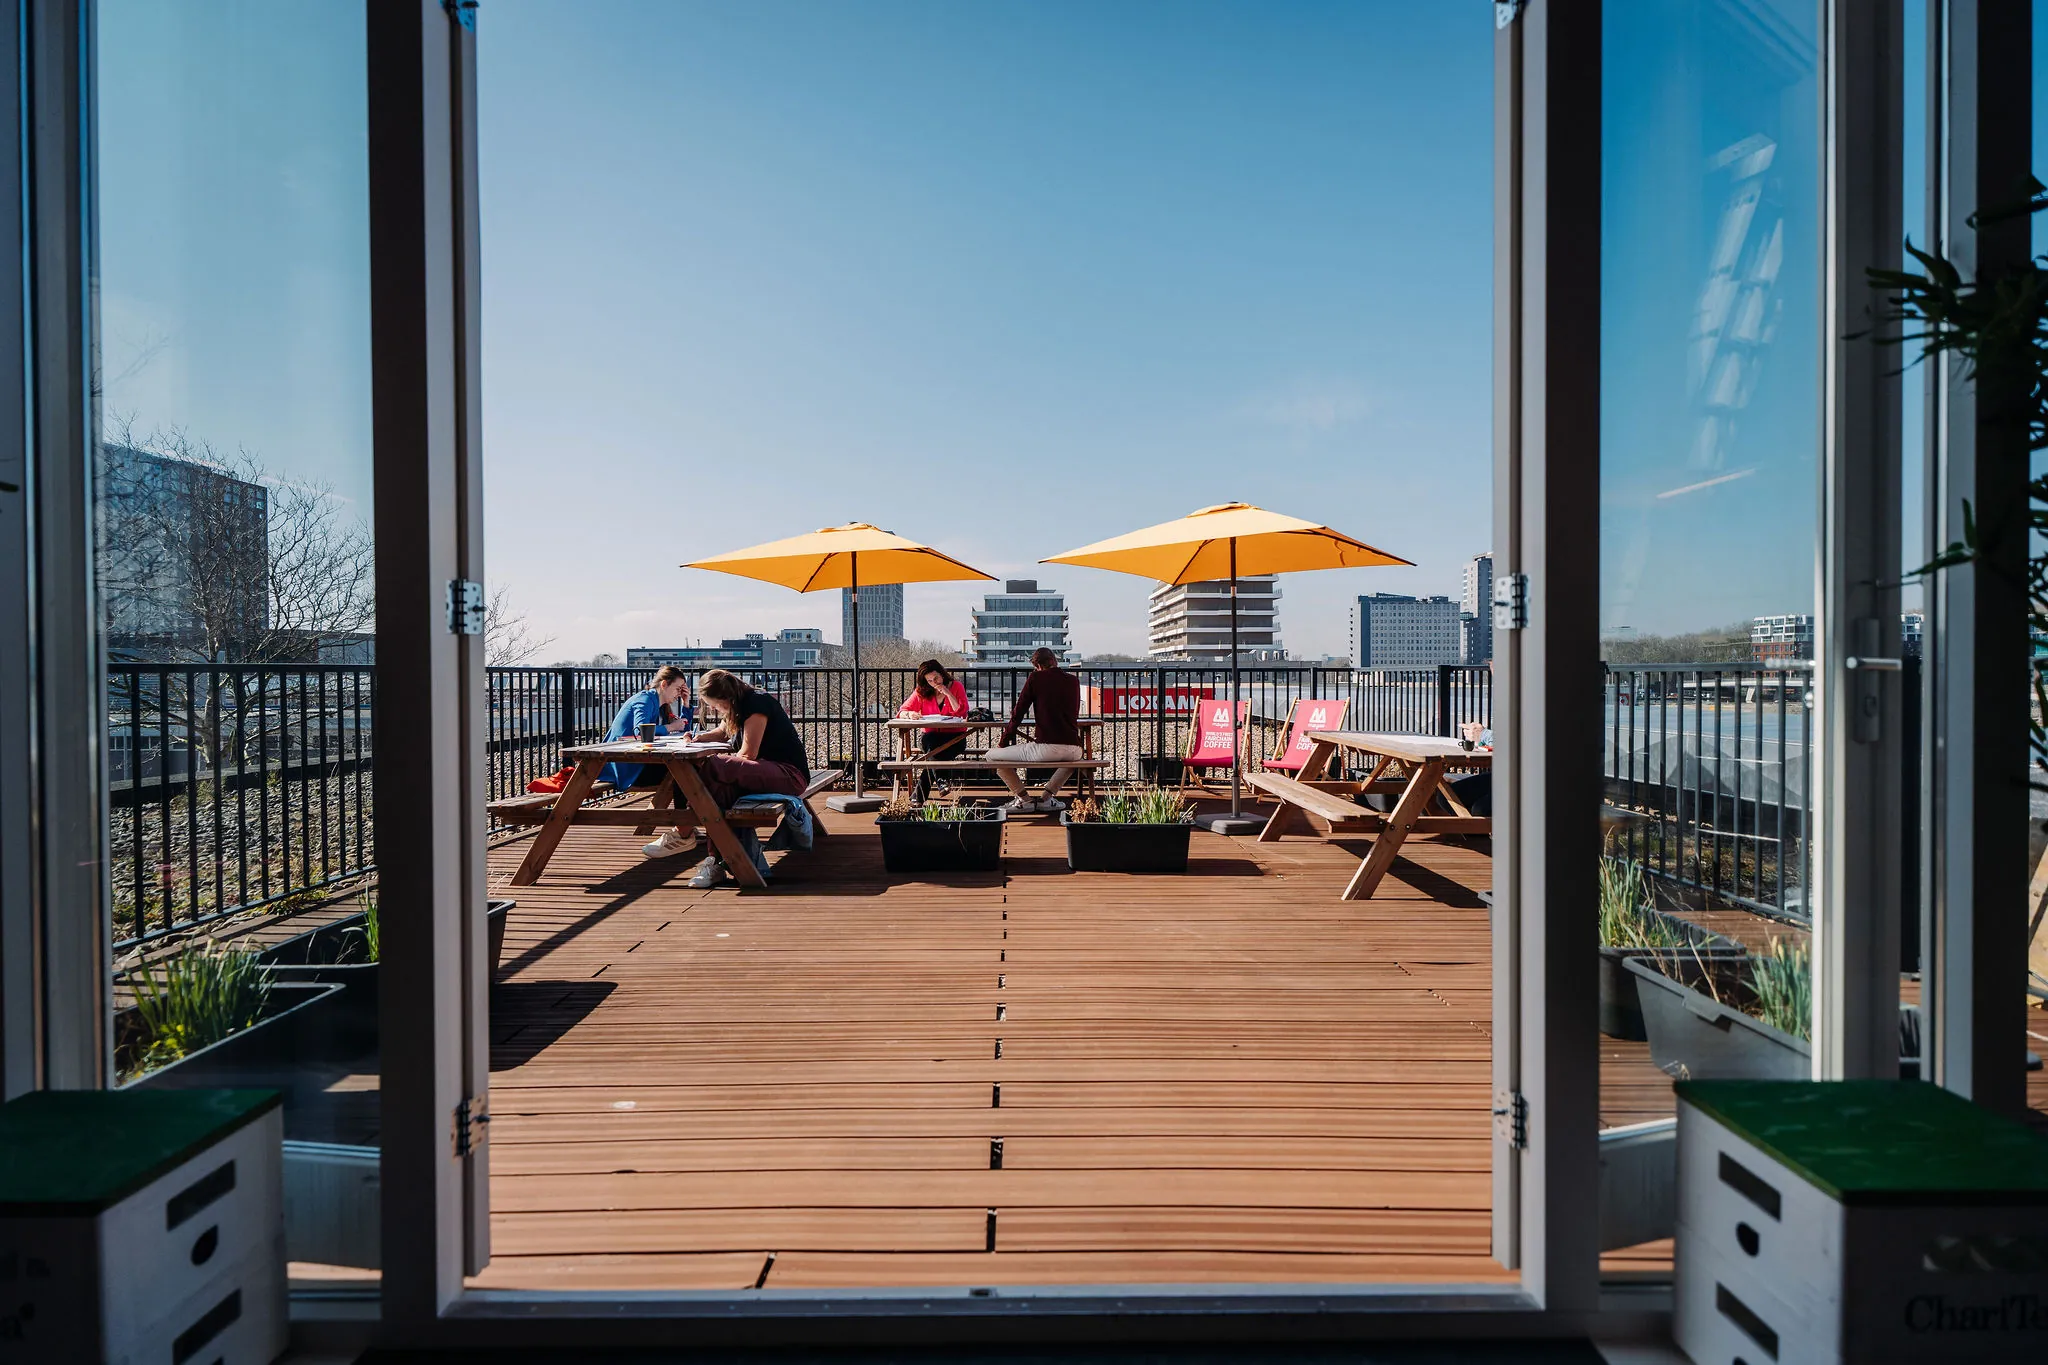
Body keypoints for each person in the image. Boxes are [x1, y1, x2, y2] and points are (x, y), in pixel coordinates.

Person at [672, 668, 812, 886]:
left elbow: (748, 754)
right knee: (718, 793)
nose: (712, 708)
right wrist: (699, 739)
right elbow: (722, 732)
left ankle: (683, 830)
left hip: (788, 774)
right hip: (763, 773)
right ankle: (717, 862)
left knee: (713, 765)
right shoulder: (736, 705)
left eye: (713, 704)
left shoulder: (756, 703)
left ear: (725, 698)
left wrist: (722, 763)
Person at [527, 665, 692, 795]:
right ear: (664, 684)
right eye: (678, 689)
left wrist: (686, 703)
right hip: (626, 768)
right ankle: (683, 829)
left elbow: (684, 730)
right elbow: (641, 731)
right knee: (684, 773)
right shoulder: (645, 700)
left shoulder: (659, 705)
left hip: (636, 763)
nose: (679, 693)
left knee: (687, 771)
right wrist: (670, 727)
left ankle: (683, 829)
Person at [986, 647, 1086, 813]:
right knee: (1075, 761)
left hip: (1046, 748)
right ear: (1054, 661)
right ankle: (1046, 798)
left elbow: (1018, 713)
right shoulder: (1073, 681)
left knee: (991, 756)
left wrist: (1003, 742)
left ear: (1038, 666)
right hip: (1074, 748)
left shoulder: (1036, 678)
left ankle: (1024, 799)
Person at [896, 658, 968, 802]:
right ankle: (941, 780)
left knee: (934, 754)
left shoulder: (956, 686)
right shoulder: (921, 692)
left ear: (942, 674)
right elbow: (902, 711)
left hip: (954, 738)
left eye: (936, 678)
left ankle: (918, 797)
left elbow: (962, 712)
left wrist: (948, 693)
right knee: (932, 743)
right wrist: (910, 714)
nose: (934, 683)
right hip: (930, 738)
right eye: (929, 680)